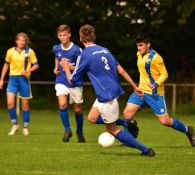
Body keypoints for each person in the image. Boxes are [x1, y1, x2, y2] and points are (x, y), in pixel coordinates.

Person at [61, 24, 155, 156]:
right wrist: (134, 86)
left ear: (81, 39)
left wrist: (65, 67)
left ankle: (146, 150)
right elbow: (120, 69)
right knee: (92, 118)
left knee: (112, 130)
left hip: (106, 95)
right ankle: (126, 122)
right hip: (110, 91)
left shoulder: (84, 55)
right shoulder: (104, 50)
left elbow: (72, 80)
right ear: (94, 36)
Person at [123, 33, 195, 147]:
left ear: (148, 44)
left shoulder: (156, 58)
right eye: (137, 45)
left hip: (154, 94)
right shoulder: (139, 54)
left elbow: (164, 74)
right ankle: (129, 140)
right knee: (127, 114)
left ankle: (188, 130)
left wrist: (156, 84)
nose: (138, 48)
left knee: (165, 121)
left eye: (141, 45)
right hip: (141, 91)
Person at [0, 32, 39, 136]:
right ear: (16, 41)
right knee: (9, 103)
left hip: (24, 79)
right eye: (19, 40)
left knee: (25, 105)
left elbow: (36, 65)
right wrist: (1, 79)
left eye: (23, 40)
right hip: (13, 79)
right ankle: (15, 125)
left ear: (25, 42)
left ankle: (25, 127)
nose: (21, 42)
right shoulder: (10, 52)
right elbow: (6, 65)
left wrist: (27, 71)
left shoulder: (29, 51)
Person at [53, 24, 86, 143]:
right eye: (60, 35)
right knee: (62, 104)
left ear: (69, 34)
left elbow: (81, 67)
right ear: (58, 36)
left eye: (64, 35)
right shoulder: (56, 48)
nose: (62, 37)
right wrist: (56, 68)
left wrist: (68, 66)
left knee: (77, 109)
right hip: (61, 80)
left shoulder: (77, 50)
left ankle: (79, 131)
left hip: (75, 82)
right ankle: (67, 130)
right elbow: (57, 57)